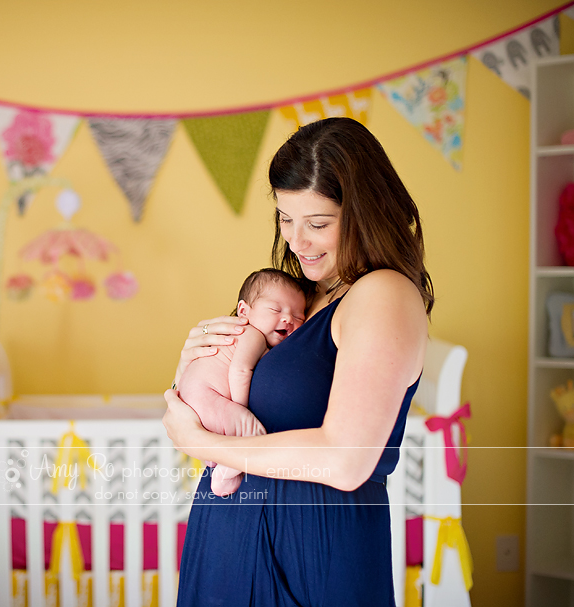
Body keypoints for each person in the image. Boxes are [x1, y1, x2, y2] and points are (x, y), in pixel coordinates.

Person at [163, 117, 433, 606]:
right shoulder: (307, 296)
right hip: (231, 541)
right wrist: (198, 358)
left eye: (318, 223)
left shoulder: (383, 295)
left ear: (367, 214)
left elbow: (347, 460)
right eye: (286, 218)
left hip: (312, 552)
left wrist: (197, 440)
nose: (296, 241)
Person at [177, 268, 307, 496]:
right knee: (252, 433)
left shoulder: (250, 340)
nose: (288, 318)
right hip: (206, 396)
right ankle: (225, 474)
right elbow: (240, 371)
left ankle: (217, 461)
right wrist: (240, 409)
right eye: (276, 309)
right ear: (244, 310)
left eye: (298, 317)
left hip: (195, 398)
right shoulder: (251, 334)